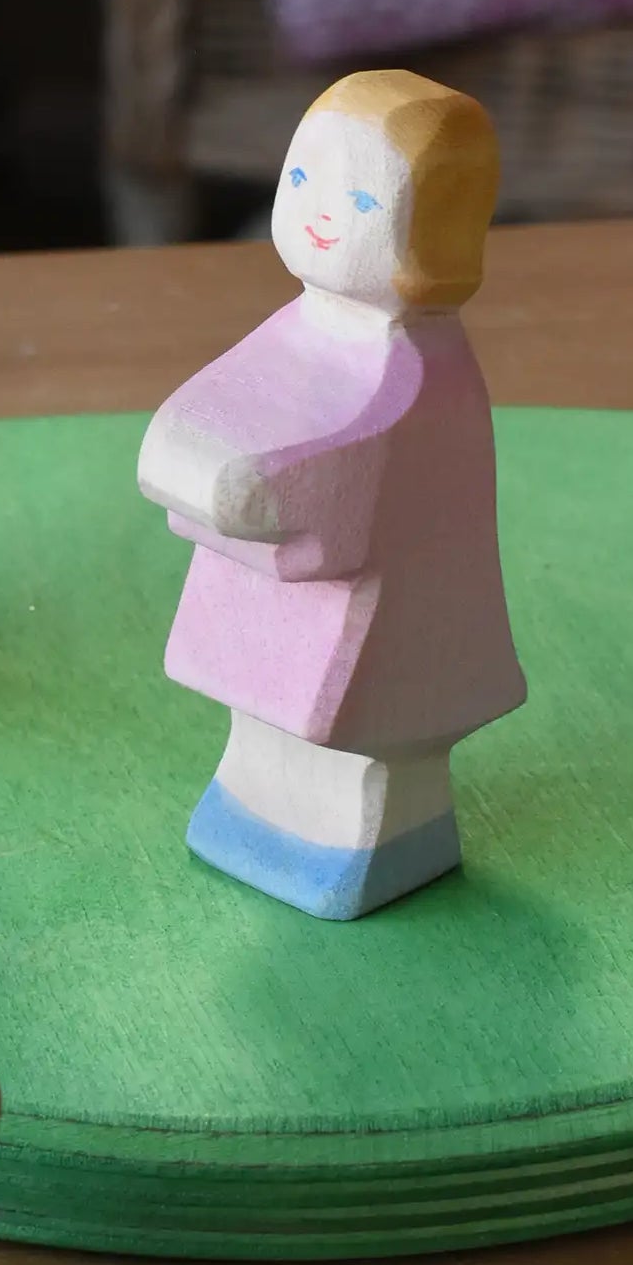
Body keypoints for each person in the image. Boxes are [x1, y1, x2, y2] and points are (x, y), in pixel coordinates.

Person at [138, 70, 526, 917]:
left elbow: (369, 454)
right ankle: (249, 812)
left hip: (382, 613)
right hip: (276, 589)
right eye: (303, 178)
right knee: (262, 715)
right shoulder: (304, 319)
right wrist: (183, 442)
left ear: (435, 227)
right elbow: (224, 396)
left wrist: (254, 483)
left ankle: (373, 845)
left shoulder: (419, 366)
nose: (319, 211)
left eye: (359, 200)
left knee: (358, 745)